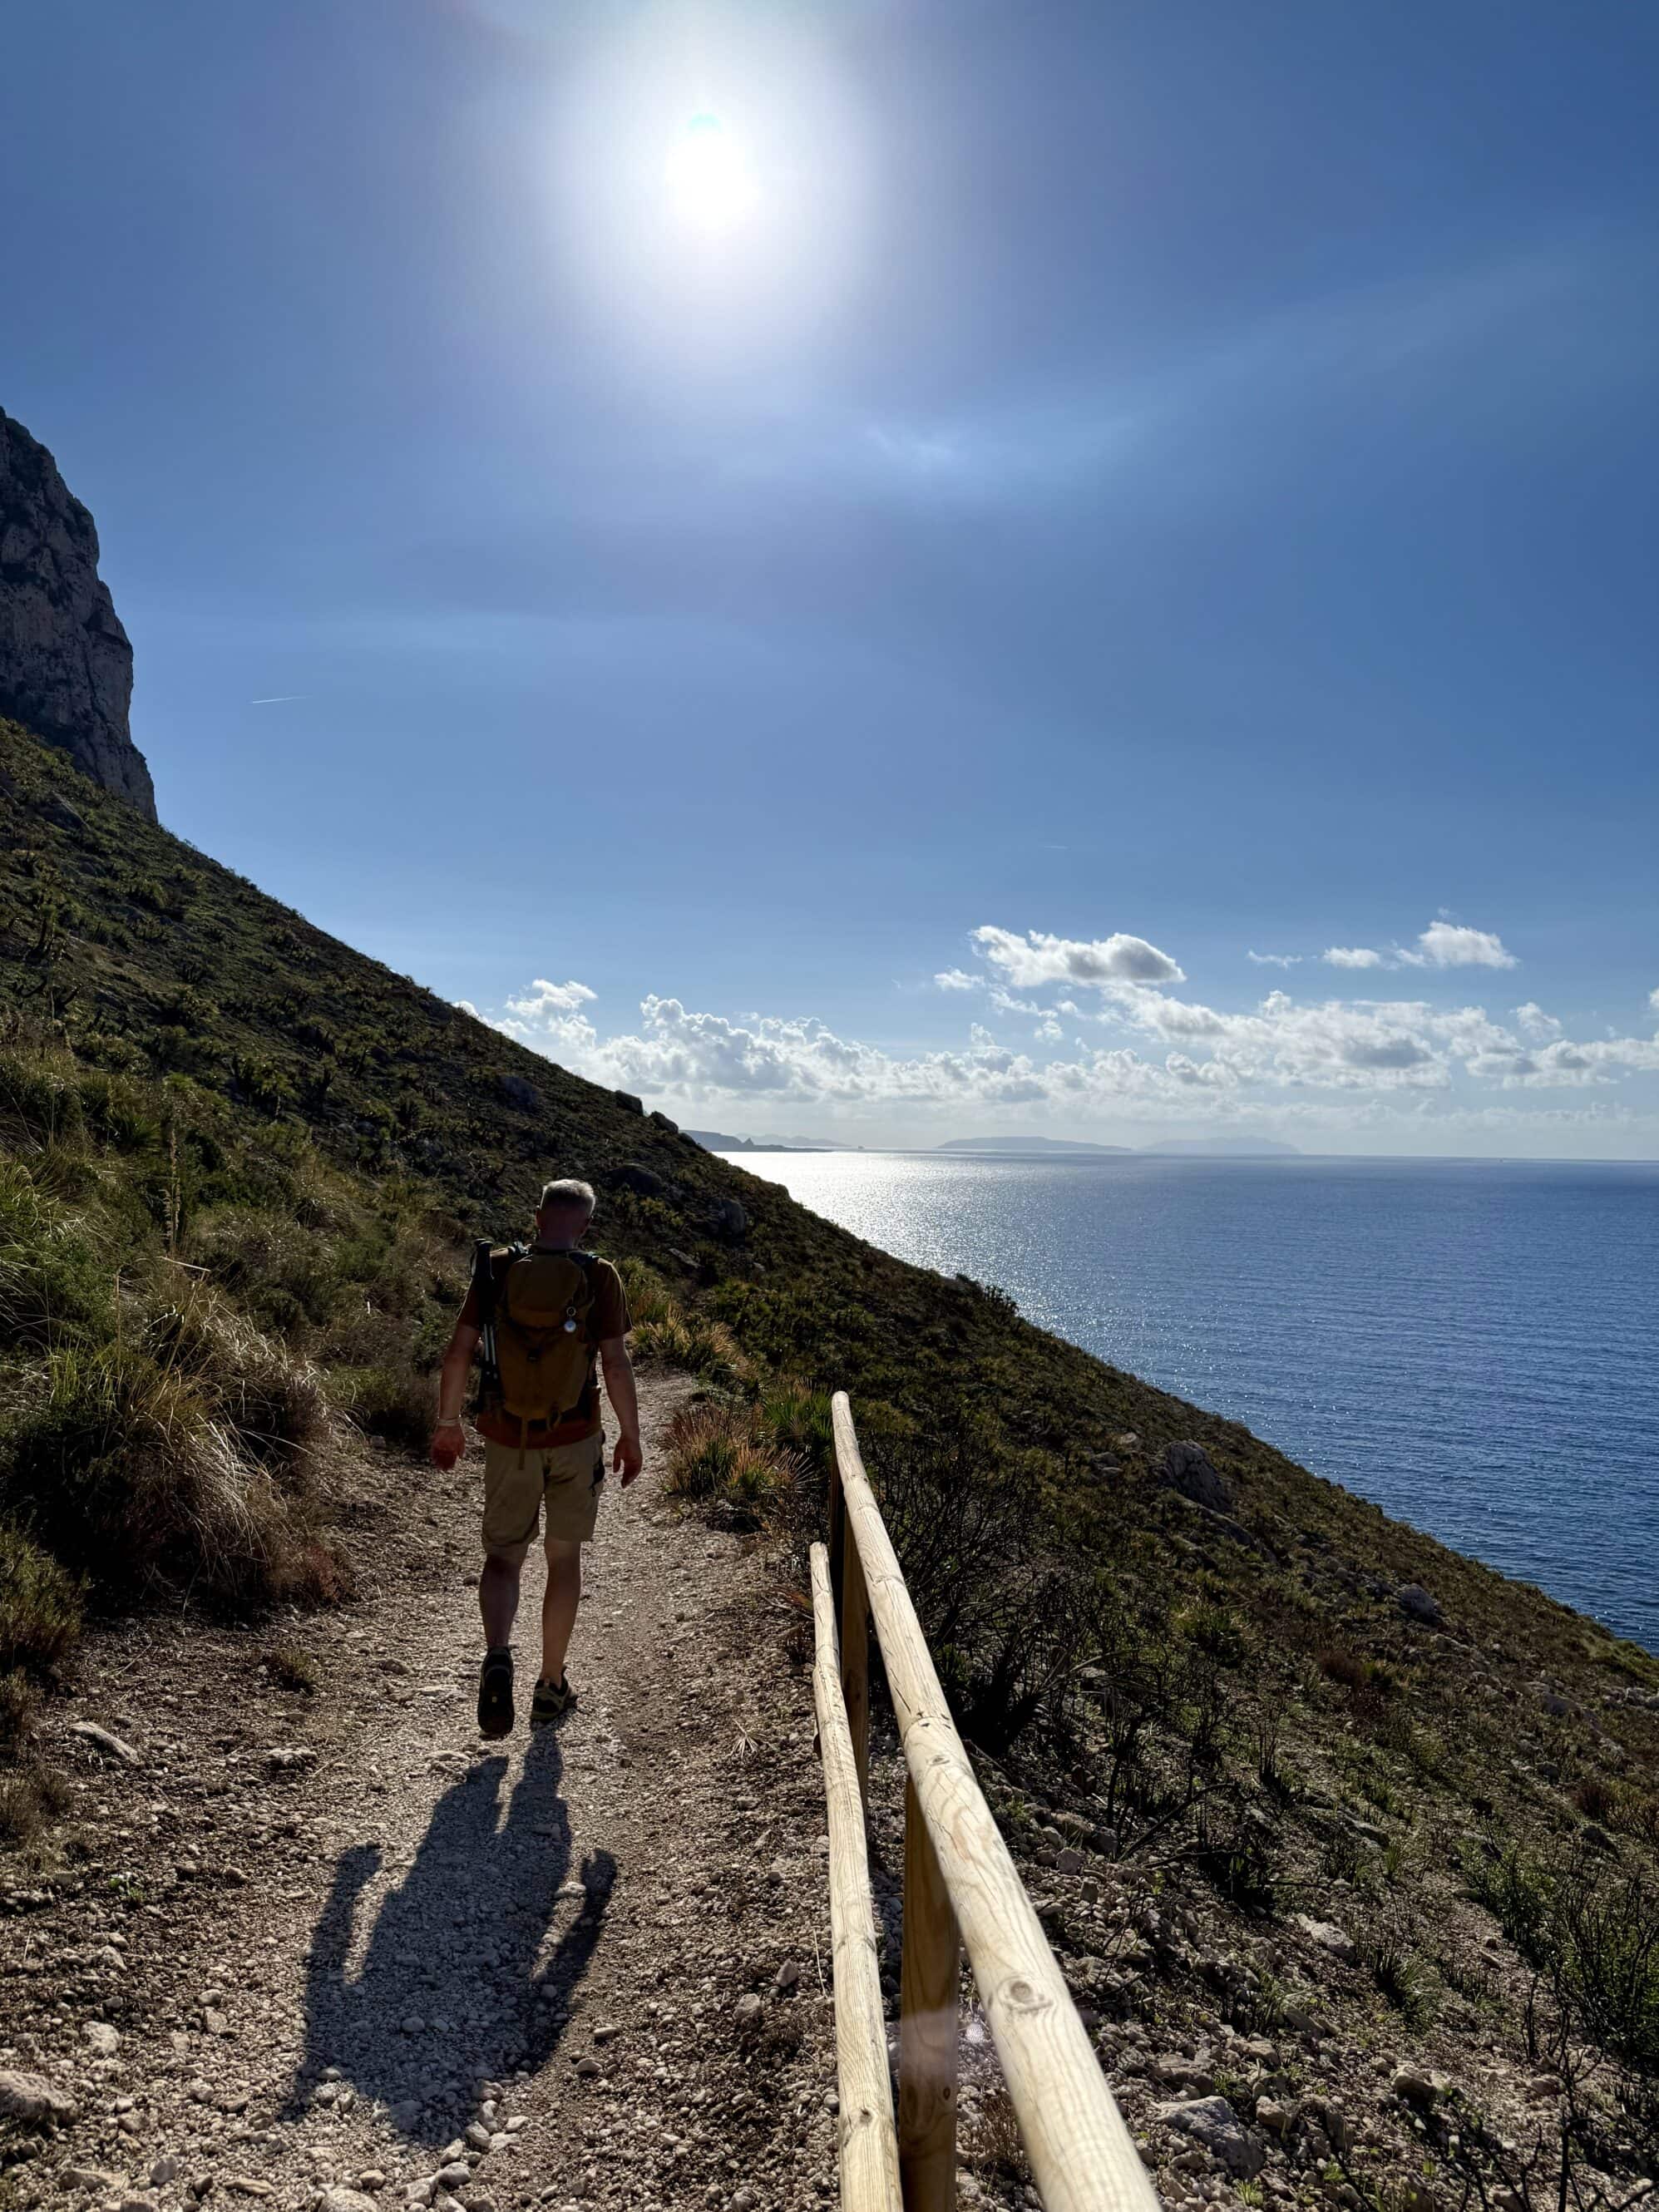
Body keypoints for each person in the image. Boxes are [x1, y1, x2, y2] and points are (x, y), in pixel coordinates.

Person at [429, 1178, 643, 1739]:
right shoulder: (599, 1275)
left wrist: (448, 1425)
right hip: (574, 1437)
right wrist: (631, 1435)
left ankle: (498, 1653)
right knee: (563, 1559)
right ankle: (550, 1684)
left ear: (537, 1217)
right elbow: (615, 1363)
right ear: (585, 1226)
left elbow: (459, 1352)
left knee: (503, 1558)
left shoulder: (497, 1268)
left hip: (508, 1438)